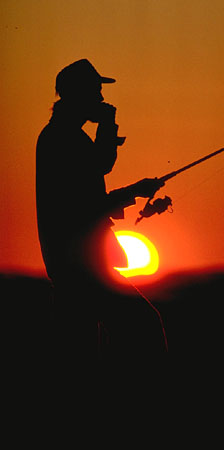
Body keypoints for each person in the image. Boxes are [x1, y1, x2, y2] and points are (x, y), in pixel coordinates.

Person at [36, 59, 167, 369]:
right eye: (95, 91)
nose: (101, 98)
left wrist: (133, 188)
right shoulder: (63, 138)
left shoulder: (65, 135)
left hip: (77, 268)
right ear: (76, 94)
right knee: (144, 328)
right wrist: (134, 190)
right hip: (82, 269)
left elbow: (98, 166)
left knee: (81, 357)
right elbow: (86, 202)